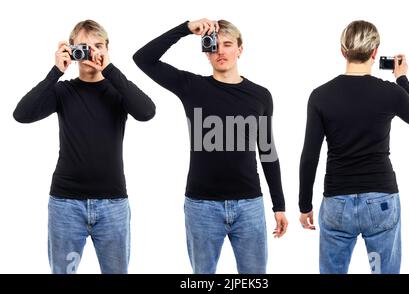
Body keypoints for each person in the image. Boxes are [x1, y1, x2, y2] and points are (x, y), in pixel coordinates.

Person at [133, 18, 288, 274]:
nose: (221, 51)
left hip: (249, 205)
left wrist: (279, 205)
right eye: (213, 45)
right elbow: (143, 59)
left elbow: (267, 151)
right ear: (205, 51)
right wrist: (185, 29)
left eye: (228, 44)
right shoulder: (192, 87)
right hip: (202, 206)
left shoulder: (261, 96)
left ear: (240, 49)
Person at [13, 20, 156, 274]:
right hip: (66, 204)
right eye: (83, 47)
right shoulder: (63, 91)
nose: (91, 53)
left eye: (98, 46)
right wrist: (55, 71)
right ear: (71, 50)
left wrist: (110, 69)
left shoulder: (118, 91)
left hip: (112, 204)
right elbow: (21, 114)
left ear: (108, 49)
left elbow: (147, 112)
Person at [298, 20, 409, 274]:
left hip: (337, 201)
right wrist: (402, 79)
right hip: (381, 199)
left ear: (343, 51)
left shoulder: (320, 96)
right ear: (375, 53)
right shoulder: (390, 93)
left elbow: (309, 157)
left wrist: (304, 204)